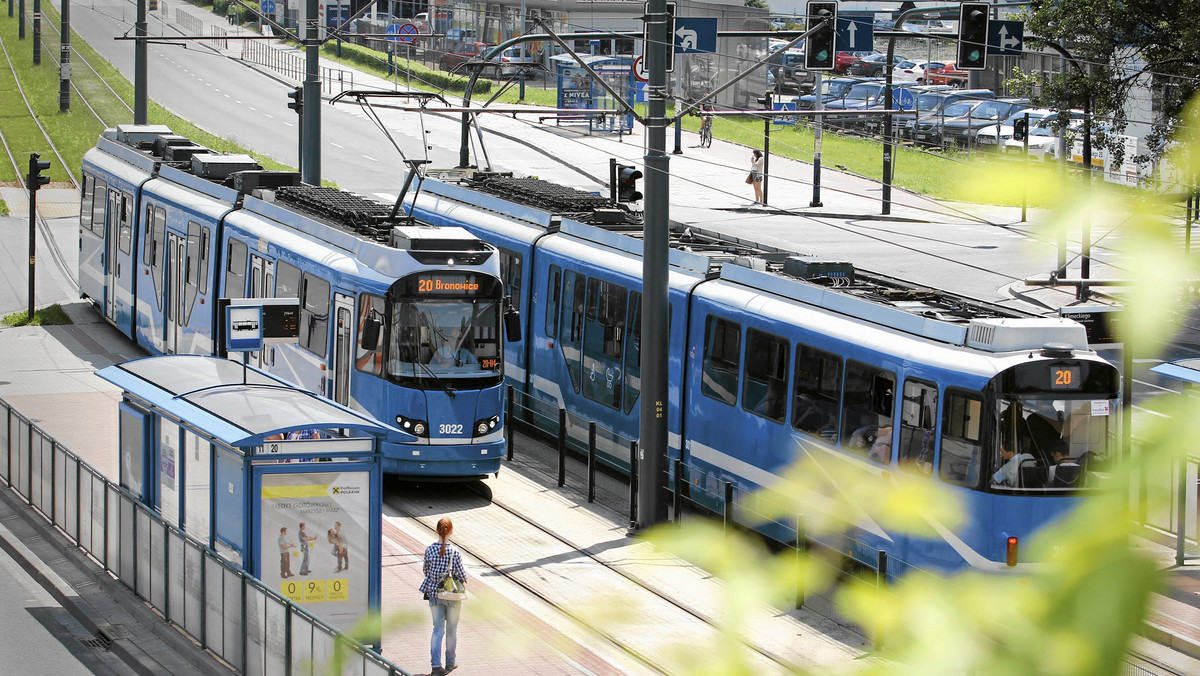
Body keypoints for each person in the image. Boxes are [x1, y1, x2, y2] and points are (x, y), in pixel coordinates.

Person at [419, 518, 467, 676]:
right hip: (451, 596)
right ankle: (450, 662)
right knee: (452, 630)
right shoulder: (455, 551)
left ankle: (435, 666)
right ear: (451, 531)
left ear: (436, 531)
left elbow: (425, 571)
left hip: (434, 593)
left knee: (437, 629)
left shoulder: (430, 550)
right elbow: (461, 574)